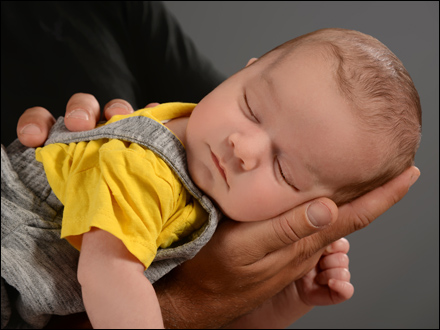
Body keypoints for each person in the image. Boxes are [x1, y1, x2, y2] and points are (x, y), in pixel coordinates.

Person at [2, 27, 421, 328]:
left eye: (283, 170)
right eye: (252, 108)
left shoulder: (218, 198)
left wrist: (281, 299)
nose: (244, 147)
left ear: (310, 206)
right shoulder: (146, 168)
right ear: (242, 72)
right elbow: (108, 275)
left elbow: (213, 313)